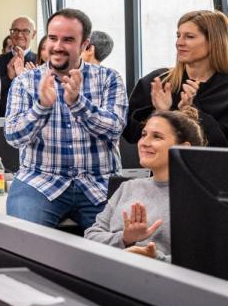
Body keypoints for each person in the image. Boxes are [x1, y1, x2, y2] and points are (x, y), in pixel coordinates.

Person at [4, 9, 128, 230]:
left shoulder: (109, 78)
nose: (58, 46)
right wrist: (41, 107)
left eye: (68, 40)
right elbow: (13, 136)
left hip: (98, 182)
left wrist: (78, 104)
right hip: (40, 180)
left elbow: (115, 129)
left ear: (85, 45)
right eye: (53, 38)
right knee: (25, 241)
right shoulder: (25, 81)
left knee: (118, 248)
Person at [85, 108, 206, 261]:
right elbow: (91, 236)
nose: (144, 143)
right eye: (143, 135)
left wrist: (155, 258)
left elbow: (205, 261)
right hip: (112, 276)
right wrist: (125, 239)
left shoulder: (200, 198)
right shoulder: (127, 187)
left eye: (157, 137)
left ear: (183, 148)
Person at [124, 10, 228, 147]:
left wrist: (192, 112)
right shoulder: (157, 82)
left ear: (214, 41)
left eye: (189, 37)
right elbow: (131, 135)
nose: (179, 42)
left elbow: (222, 143)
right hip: (165, 168)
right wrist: (160, 113)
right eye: (178, 36)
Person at [0, 16, 38, 117]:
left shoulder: (41, 62)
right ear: (10, 33)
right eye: (15, 30)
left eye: (25, 31)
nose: (19, 34)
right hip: (0, 121)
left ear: (34, 34)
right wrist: (8, 78)